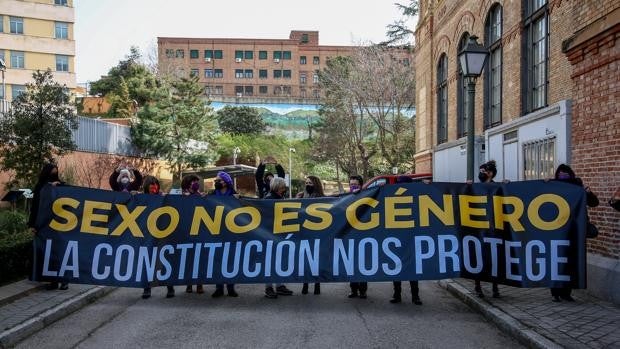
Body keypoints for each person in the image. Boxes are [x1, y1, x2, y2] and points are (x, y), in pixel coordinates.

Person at [550, 164, 599, 302]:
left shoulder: (578, 186)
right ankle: (555, 293)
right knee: (556, 261)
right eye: (560, 173)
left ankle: (566, 292)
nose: (563, 175)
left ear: (570, 174)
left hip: (574, 232)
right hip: (557, 230)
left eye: (565, 173)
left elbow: (594, 203)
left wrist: (588, 192)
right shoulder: (553, 186)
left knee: (571, 262)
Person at [28, 163, 69, 291]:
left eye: (56, 172)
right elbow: (35, 208)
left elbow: (69, 197)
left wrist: (59, 187)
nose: (54, 175)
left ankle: (64, 280)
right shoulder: (40, 187)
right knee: (48, 254)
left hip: (59, 226)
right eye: (52, 172)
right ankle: (52, 281)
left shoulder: (60, 185)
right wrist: (33, 225)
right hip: (44, 226)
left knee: (60, 254)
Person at [141, 176, 175, 299]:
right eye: (151, 185)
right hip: (147, 235)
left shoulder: (163, 197)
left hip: (162, 233)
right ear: (147, 186)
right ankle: (147, 289)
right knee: (147, 261)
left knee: (165, 261)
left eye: (156, 185)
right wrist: (132, 194)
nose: (154, 187)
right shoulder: (140, 198)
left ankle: (170, 287)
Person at [389, 176, 422, 305]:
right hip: (396, 238)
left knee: (412, 268)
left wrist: (427, 185)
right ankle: (397, 294)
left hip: (412, 238)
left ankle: (415, 295)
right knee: (396, 268)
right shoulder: (391, 198)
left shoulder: (416, 198)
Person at [209, 171, 239, 298]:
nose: (216, 182)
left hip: (230, 231)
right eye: (215, 180)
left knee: (229, 259)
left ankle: (231, 287)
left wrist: (239, 199)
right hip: (215, 230)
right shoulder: (211, 194)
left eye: (219, 180)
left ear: (226, 182)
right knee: (217, 259)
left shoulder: (233, 194)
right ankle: (219, 288)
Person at [263, 177, 294, 299]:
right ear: (277, 186)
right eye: (282, 186)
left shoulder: (280, 197)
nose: (284, 188)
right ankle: (268, 288)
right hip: (271, 234)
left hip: (280, 233)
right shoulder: (269, 199)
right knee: (270, 262)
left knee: (279, 261)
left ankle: (280, 286)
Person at [473, 160, 501, 298]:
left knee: (494, 258)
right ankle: (477, 286)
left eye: (484, 172)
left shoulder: (499, 187)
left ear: (491, 173)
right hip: (479, 229)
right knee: (479, 257)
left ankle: (495, 287)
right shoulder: (475, 188)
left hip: (494, 229)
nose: (482, 174)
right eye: (481, 172)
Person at [297, 176, 325, 295]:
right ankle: (305, 283)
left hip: (317, 232)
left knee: (316, 260)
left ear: (316, 184)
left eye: (310, 183)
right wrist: (296, 199)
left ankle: (317, 284)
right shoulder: (302, 196)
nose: (308, 185)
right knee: (305, 259)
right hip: (304, 232)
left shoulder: (321, 197)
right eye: (307, 183)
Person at [182, 174, 204, 295]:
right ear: (187, 183)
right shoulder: (181, 195)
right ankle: (189, 284)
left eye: (197, 181)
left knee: (199, 259)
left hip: (198, 232)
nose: (195, 183)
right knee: (188, 259)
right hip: (185, 232)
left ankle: (199, 284)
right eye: (193, 181)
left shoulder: (199, 195)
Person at [347, 175, 368, 299]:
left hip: (363, 236)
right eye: (351, 184)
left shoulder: (367, 195)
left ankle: (363, 290)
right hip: (350, 236)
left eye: (355, 184)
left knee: (362, 264)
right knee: (352, 264)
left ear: (361, 185)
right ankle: (353, 290)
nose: (353, 187)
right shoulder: (346, 197)